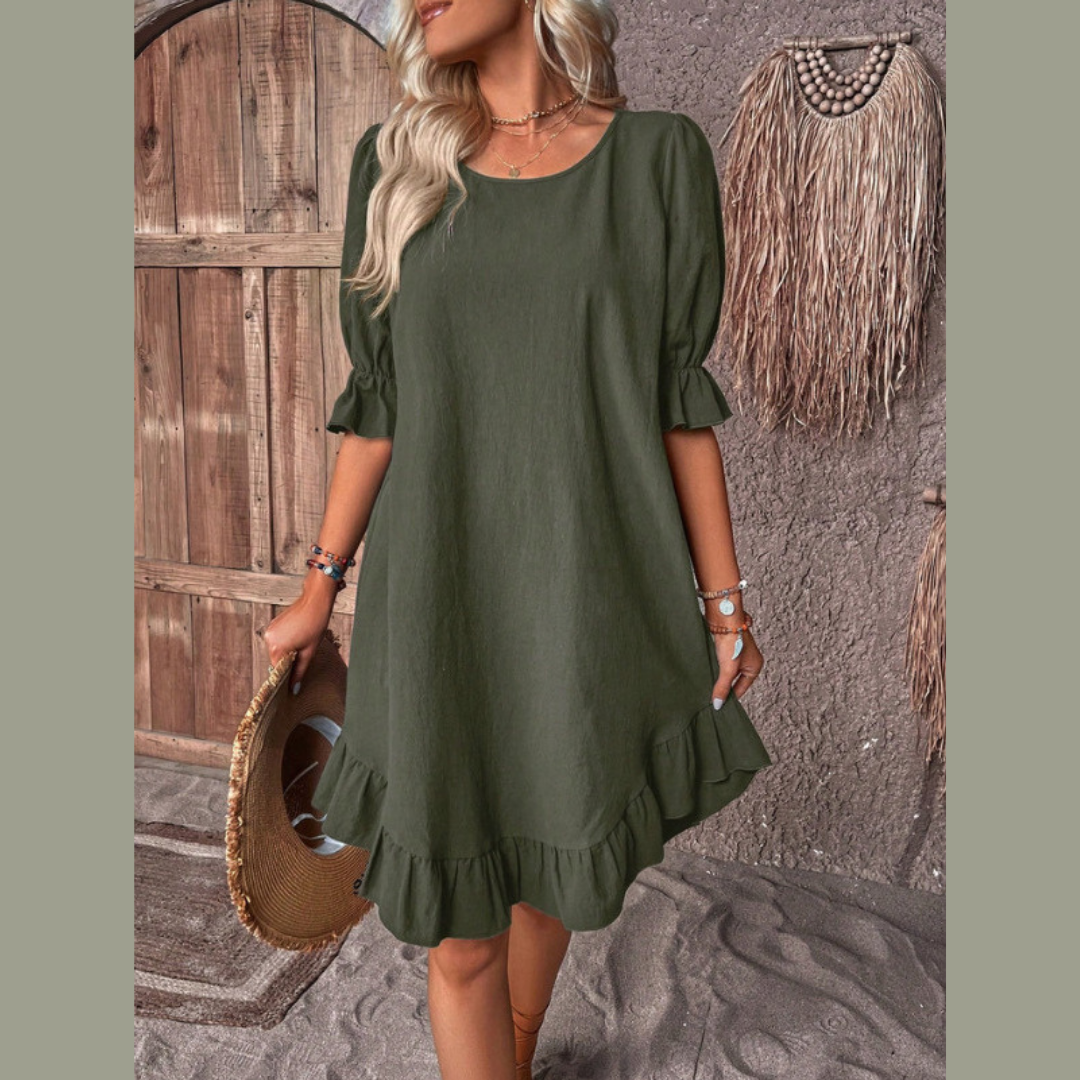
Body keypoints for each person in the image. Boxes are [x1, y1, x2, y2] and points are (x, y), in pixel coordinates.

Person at [263, 1, 773, 1077]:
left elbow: (679, 408)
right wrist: (319, 585)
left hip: (593, 593)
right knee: (460, 941)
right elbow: (379, 409)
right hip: (437, 600)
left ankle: (522, 1052)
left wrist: (726, 604)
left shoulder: (658, 161)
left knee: (554, 876)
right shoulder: (394, 168)